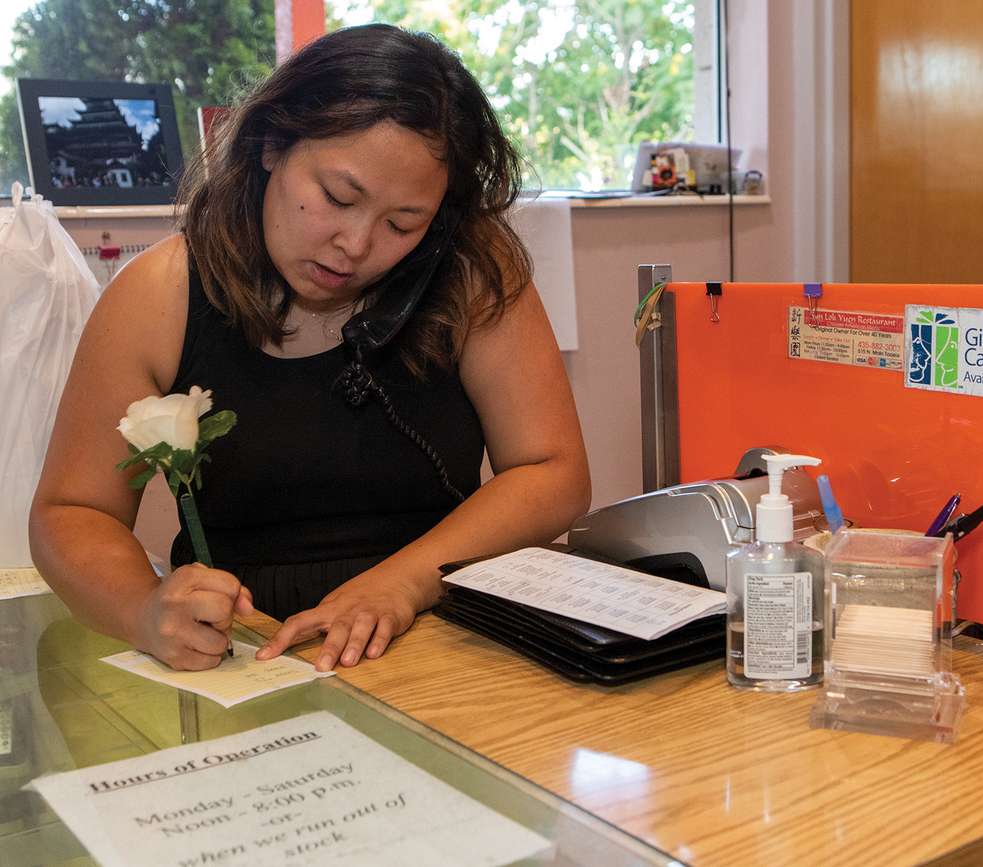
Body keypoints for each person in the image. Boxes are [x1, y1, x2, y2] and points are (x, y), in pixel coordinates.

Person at [29, 23, 590, 674]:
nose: (354, 244)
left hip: (438, 634)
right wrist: (144, 611)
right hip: (244, 655)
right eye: (336, 197)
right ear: (271, 145)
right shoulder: (159, 293)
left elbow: (553, 472)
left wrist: (403, 581)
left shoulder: (472, 271)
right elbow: (73, 510)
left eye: (402, 223)